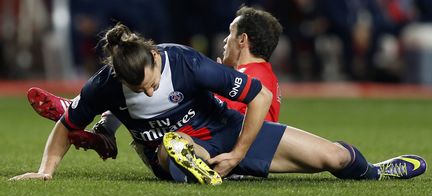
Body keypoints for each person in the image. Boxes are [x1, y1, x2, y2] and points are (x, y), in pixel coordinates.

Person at [11, 11, 426, 184]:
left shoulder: (188, 63)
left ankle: (375, 171)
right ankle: (189, 160)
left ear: (156, 57)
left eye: (153, 82)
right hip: (173, 150)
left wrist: (239, 149)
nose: (150, 91)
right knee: (172, 145)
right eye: (139, 90)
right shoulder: (104, 83)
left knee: (335, 157)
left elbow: (259, 97)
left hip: (228, 133)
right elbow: (66, 126)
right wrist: (46, 170)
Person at [26, 5, 283, 161]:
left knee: (153, 97)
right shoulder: (261, 74)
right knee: (138, 92)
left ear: (243, 40)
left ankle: (92, 117)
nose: (226, 40)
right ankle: (99, 122)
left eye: (231, 33)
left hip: (219, 140)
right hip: (214, 135)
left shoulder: (252, 78)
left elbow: (235, 115)